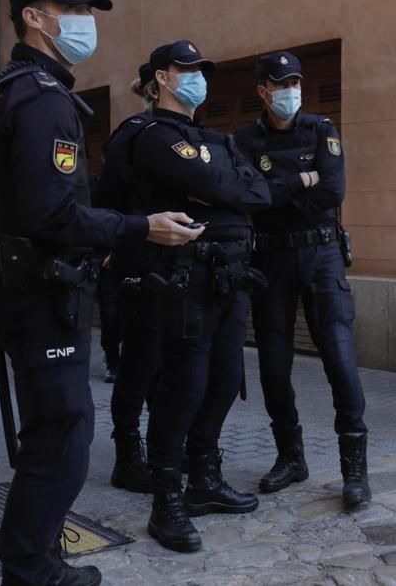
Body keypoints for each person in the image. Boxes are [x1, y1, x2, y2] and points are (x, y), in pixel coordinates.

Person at [0, 0, 201, 586]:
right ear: (35, 16)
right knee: (63, 440)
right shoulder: (42, 98)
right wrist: (140, 228)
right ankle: (32, 573)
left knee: (49, 434)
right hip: (40, 291)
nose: (85, 21)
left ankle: (40, 561)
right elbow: (52, 211)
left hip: (16, 281)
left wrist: (2, 239)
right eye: (72, 8)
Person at [129, 40, 272, 552]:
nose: (198, 78)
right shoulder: (148, 134)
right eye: (186, 70)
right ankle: (166, 500)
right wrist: (225, 185)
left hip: (230, 273)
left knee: (227, 375)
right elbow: (229, 186)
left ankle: (204, 479)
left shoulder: (216, 138)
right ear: (163, 78)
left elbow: (260, 192)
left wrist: (217, 187)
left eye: (201, 70)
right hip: (183, 272)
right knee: (184, 382)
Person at [234, 52, 371, 508]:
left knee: (339, 359)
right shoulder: (244, 140)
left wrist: (286, 188)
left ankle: (355, 469)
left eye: (294, 81)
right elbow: (250, 197)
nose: (289, 90)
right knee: (274, 365)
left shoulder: (320, 130)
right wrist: (304, 180)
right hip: (271, 259)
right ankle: (291, 457)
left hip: (321, 254)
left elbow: (334, 190)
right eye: (279, 83)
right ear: (262, 90)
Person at [93, 62, 161, 493]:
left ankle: (162, 451)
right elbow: (107, 202)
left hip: (179, 269)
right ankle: (128, 456)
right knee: (138, 364)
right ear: (158, 87)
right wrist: (111, 251)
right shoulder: (133, 133)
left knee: (167, 368)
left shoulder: (188, 133)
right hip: (139, 265)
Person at [90, 142, 122, 384]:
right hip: (102, 263)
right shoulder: (93, 187)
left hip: (128, 258)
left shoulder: (130, 187)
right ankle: (113, 362)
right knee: (110, 315)